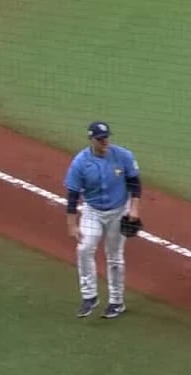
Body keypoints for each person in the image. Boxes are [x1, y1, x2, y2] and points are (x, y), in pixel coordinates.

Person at [64, 121, 142, 319]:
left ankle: (116, 302)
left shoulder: (123, 155)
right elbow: (73, 194)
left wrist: (134, 209)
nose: (105, 141)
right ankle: (89, 296)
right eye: (100, 138)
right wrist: (71, 224)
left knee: (115, 256)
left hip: (118, 210)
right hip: (92, 211)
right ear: (91, 139)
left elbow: (135, 184)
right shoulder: (81, 162)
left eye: (106, 137)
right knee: (84, 248)